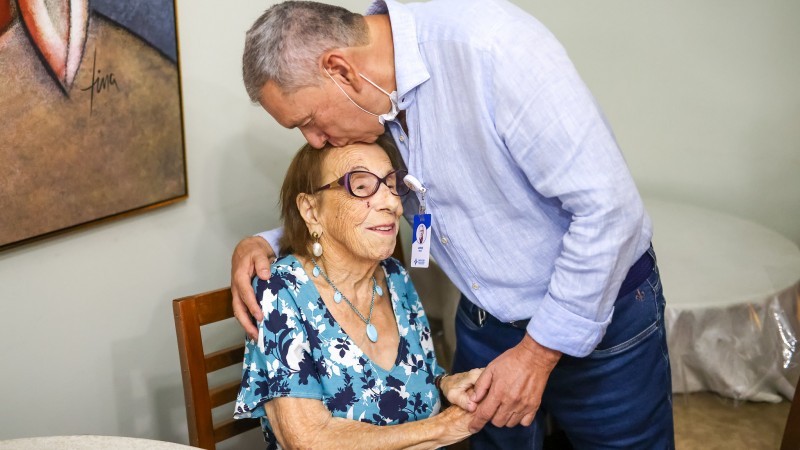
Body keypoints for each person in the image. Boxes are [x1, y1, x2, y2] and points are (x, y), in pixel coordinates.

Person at [233, 1, 674, 448]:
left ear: (341, 70)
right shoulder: (373, 108)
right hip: (488, 321)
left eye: (308, 121)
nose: (314, 141)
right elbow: (355, 199)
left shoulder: (495, 50)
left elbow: (611, 211)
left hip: (598, 315)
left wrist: (537, 353)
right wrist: (267, 242)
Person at [234, 135, 484, 449]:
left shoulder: (394, 277)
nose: (392, 204)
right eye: (362, 186)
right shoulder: (281, 290)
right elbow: (308, 439)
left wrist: (446, 383)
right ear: (311, 211)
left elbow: (416, 374)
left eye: (392, 184)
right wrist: (439, 429)